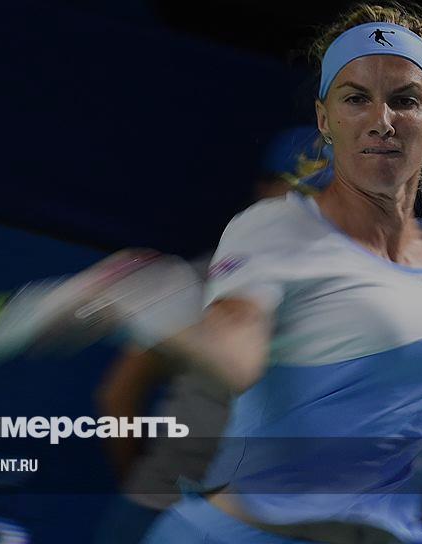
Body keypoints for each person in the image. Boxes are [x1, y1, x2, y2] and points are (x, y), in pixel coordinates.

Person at [122, 2, 422, 543]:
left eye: (405, 100)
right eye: (356, 98)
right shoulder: (276, 227)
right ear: (325, 118)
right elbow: (236, 358)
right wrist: (151, 305)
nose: (382, 121)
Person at [91, 127, 325, 544]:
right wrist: (147, 488)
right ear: (262, 191)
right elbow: (118, 395)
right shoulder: (204, 280)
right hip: (162, 506)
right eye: (291, 191)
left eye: (319, 197)